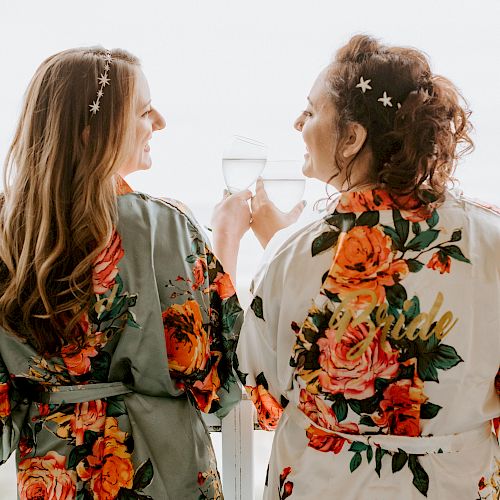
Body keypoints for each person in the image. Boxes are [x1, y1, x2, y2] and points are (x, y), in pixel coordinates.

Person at [219, 35, 500, 499]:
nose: (297, 122)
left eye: (310, 111)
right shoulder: (491, 239)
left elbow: (263, 394)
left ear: (351, 138)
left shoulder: (294, 253)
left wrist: (269, 245)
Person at [0, 47, 249, 499]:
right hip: (165, 469)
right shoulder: (165, 227)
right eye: (144, 111)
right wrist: (229, 237)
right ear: (92, 131)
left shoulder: (6, 233)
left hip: (55, 475)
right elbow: (217, 369)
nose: (161, 122)